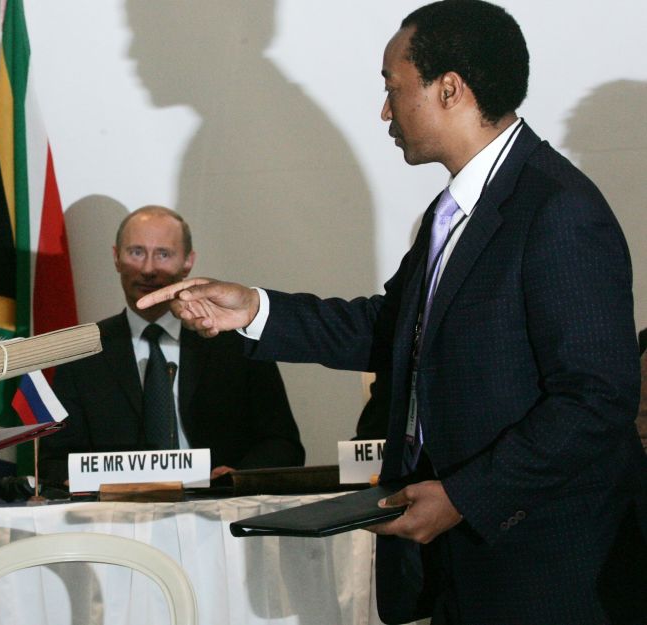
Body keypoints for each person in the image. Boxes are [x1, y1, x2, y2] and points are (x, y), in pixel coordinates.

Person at [139, 2, 647, 623]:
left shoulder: (558, 209)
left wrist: (465, 496)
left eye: (393, 88)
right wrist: (255, 309)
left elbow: (596, 399)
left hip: (546, 572)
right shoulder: (452, 210)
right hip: (465, 565)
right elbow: (392, 329)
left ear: (450, 89)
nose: (385, 110)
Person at [39, 206, 303, 485]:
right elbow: (53, 462)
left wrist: (238, 477)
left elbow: (284, 445)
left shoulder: (236, 342)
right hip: (116, 515)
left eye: (163, 254)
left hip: (220, 509)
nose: (148, 269)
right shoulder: (83, 352)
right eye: (136, 252)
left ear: (188, 262)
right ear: (116, 258)